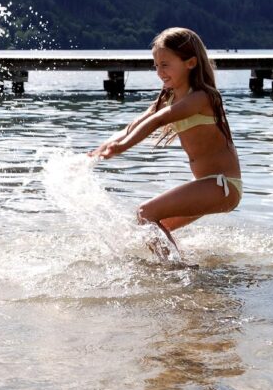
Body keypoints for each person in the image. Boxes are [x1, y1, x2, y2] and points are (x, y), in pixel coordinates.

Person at [89, 27, 241, 260]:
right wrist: (103, 147)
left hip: (223, 186)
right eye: (156, 65)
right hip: (209, 186)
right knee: (150, 229)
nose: (159, 72)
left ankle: (177, 272)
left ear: (190, 62)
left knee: (145, 213)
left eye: (165, 64)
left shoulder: (202, 97)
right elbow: (136, 123)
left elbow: (159, 119)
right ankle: (182, 273)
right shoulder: (169, 97)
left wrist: (124, 146)